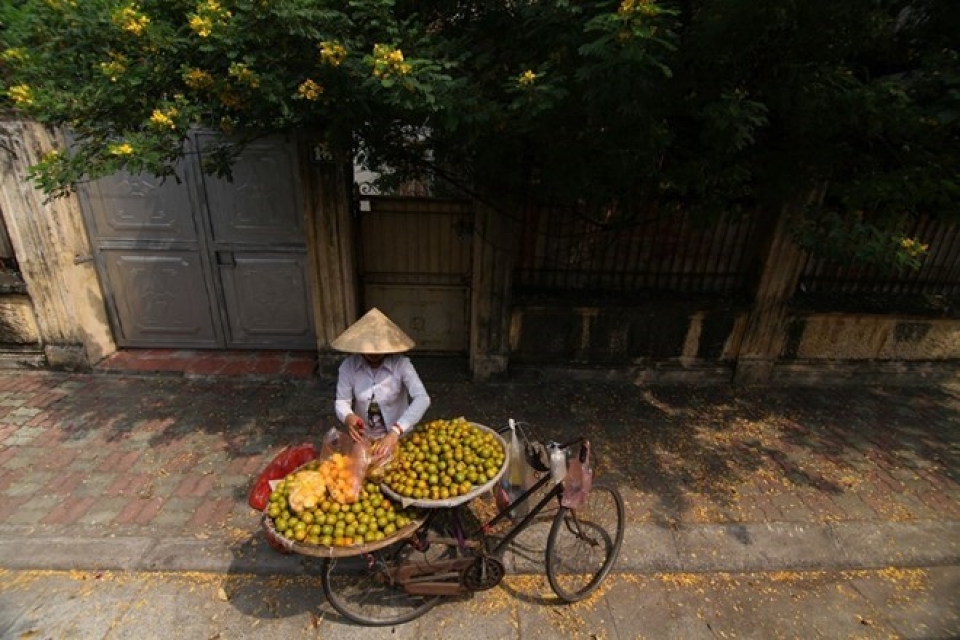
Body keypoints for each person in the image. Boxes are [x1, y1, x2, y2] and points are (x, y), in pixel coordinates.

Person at [332, 307, 431, 456]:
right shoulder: (348, 366)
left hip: (398, 438)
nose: (373, 354)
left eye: (378, 350)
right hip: (364, 438)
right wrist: (348, 417)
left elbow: (422, 398)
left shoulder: (402, 364)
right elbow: (341, 401)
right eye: (368, 350)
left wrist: (396, 431)